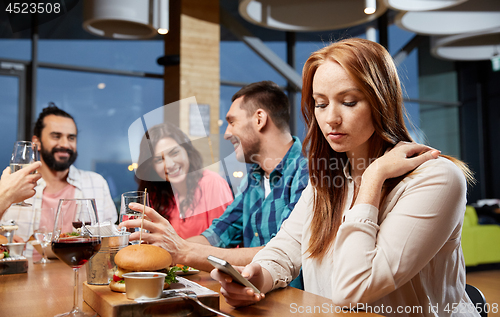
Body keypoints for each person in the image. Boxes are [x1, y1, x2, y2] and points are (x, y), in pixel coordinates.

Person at [211, 38, 477, 316]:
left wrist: (374, 177)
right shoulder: (327, 180)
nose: (331, 119)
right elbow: (286, 246)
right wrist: (258, 277)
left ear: (381, 102)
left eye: (349, 102)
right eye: (321, 104)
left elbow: (354, 290)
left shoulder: (437, 179)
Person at [120, 81, 309, 289]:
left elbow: (279, 253)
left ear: (259, 119)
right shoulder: (254, 179)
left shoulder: (306, 176)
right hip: (254, 299)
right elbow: (218, 234)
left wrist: (182, 250)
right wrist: (164, 246)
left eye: (232, 122)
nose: (226, 133)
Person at [1, 104, 118, 256]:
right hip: (24, 277)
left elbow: (113, 240)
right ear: (36, 142)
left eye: (71, 137)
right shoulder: (13, 185)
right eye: (56, 136)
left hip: (80, 273)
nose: (64, 144)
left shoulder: (97, 183)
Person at [134, 122, 233, 239]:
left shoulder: (213, 183)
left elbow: (225, 242)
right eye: (159, 160)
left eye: (174, 153)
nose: (169, 165)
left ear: (187, 151)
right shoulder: (156, 194)